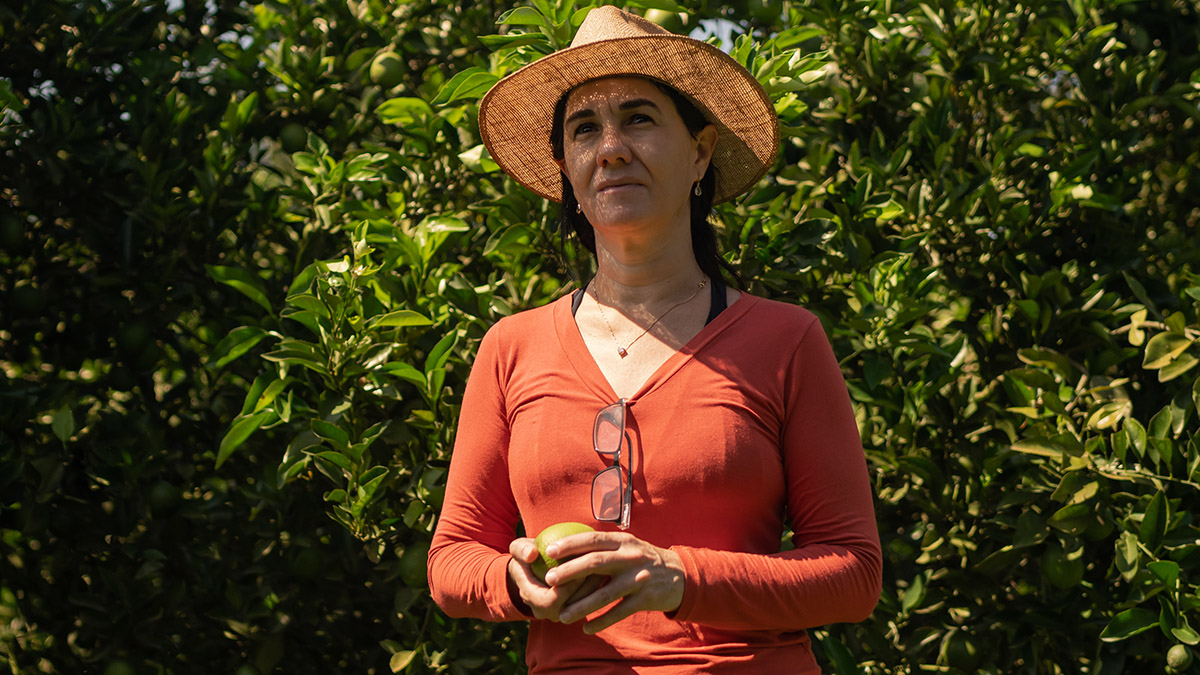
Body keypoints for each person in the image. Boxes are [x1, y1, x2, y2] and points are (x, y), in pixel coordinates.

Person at [428, 6, 881, 673]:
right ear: (568, 170)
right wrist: (513, 580)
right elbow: (452, 558)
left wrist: (680, 577)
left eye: (639, 118)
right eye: (586, 128)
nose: (611, 146)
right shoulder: (511, 347)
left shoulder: (786, 340)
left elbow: (853, 573)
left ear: (699, 151)